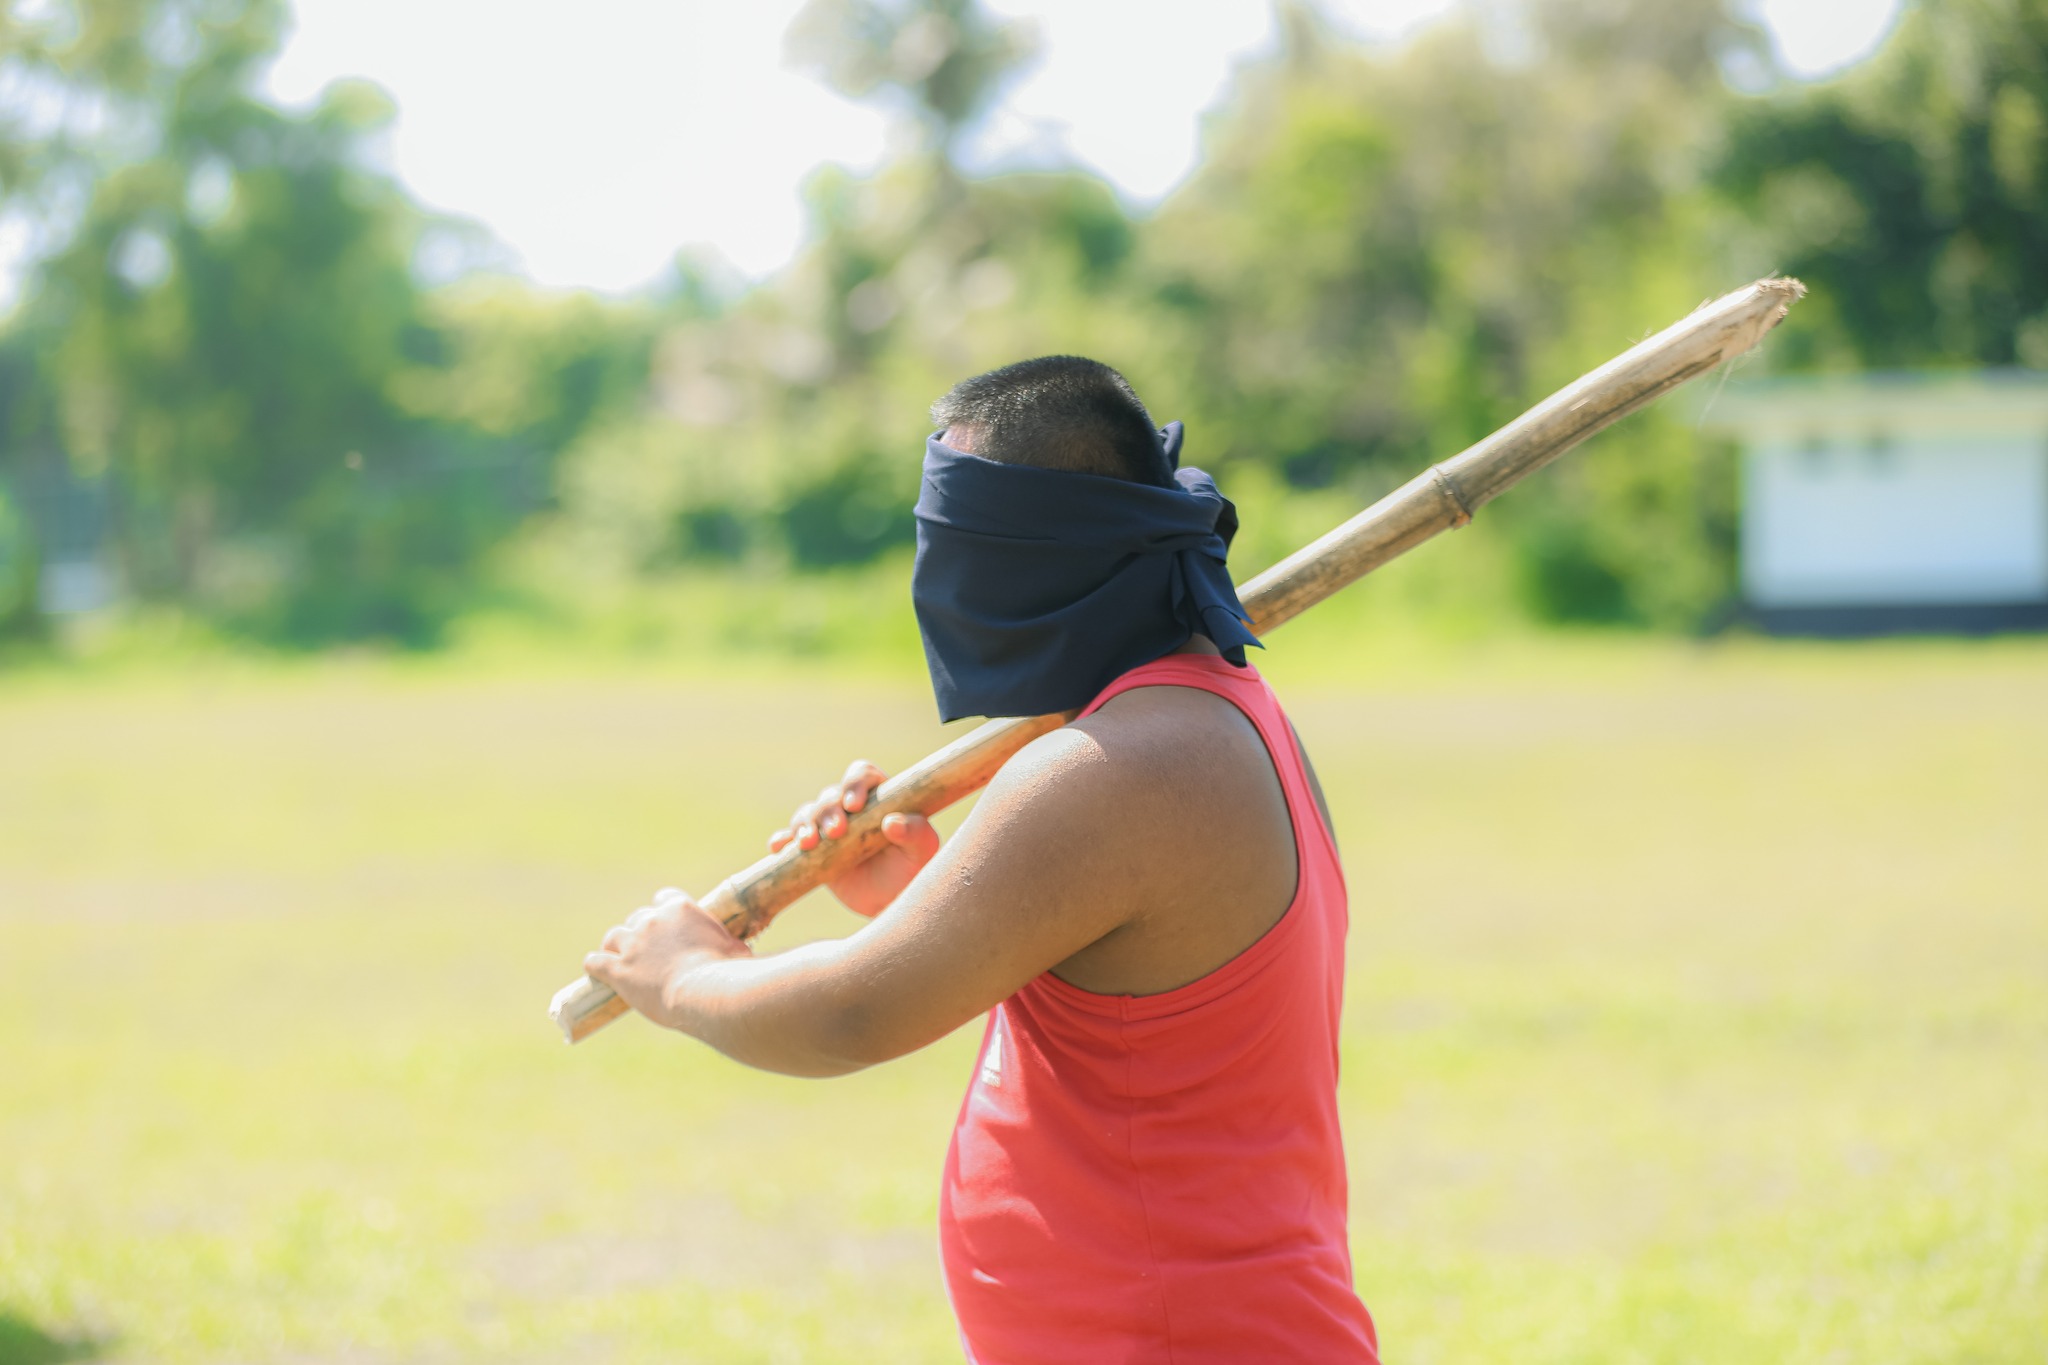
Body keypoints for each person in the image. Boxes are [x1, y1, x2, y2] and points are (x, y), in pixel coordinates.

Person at [583, 356, 1379, 1363]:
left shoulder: (1118, 764)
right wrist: (927, 906)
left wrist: (684, 975)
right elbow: (1143, 999)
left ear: (1029, 554)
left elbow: (853, 1013)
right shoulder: (1208, 717)